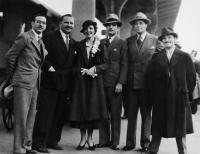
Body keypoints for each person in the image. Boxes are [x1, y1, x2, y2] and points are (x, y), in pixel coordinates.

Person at [145, 27, 196, 154]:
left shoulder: (185, 57)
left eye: (169, 37)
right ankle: (152, 151)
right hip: (161, 99)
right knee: (157, 128)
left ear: (174, 39)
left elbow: (192, 78)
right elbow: (150, 78)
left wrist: (186, 94)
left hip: (180, 98)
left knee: (180, 129)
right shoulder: (156, 57)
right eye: (164, 38)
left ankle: (182, 151)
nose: (167, 40)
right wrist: (155, 95)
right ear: (161, 41)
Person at [32, 14, 76, 153]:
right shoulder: (49, 37)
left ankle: (53, 141)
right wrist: (50, 68)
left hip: (64, 84)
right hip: (50, 82)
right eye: (66, 22)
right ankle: (38, 142)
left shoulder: (73, 42)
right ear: (60, 23)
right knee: (45, 113)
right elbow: (41, 56)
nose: (69, 25)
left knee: (59, 114)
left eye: (71, 23)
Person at [5, 14, 47, 154]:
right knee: (21, 116)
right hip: (23, 81)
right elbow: (10, 57)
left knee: (31, 116)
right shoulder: (25, 37)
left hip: (35, 82)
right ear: (32, 23)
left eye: (43, 23)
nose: (41, 25)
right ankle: (19, 149)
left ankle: (27, 146)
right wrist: (13, 78)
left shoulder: (40, 40)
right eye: (38, 22)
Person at [69, 20, 108, 151]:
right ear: (83, 31)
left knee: (92, 111)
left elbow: (106, 64)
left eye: (91, 28)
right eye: (86, 29)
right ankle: (82, 139)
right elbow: (73, 64)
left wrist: (95, 69)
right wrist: (78, 72)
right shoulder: (78, 45)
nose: (88, 31)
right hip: (80, 83)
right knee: (81, 110)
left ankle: (90, 139)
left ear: (94, 30)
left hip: (94, 83)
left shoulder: (101, 45)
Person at [122, 12, 157, 152]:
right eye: (136, 23)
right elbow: (125, 63)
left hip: (147, 86)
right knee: (131, 115)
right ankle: (130, 143)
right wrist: (122, 82)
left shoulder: (155, 40)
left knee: (146, 115)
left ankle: (146, 144)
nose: (138, 25)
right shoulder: (128, 41)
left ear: (146, 24)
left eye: (141, 23)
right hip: (131, 85)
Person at [96, 13, 128, 150]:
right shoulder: (101, 42)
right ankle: (104, 140)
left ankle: (115, 141)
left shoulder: (122, 43)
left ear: (118, 28)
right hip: (101, 82)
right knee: (102, 113)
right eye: (108, 25)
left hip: (115, 83)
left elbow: (124, 64)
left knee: (115, 113)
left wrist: (120, 82)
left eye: (114, 25)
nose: (111, 27)